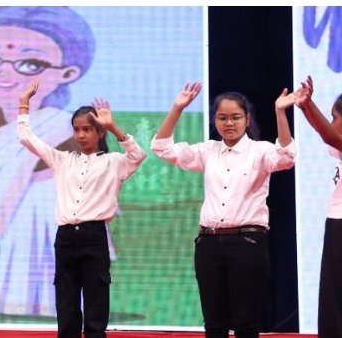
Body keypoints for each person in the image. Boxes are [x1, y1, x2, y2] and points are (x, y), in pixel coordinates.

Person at [0, 7, 94, 317]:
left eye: (30, 64)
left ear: (68, 73)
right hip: (17, 216)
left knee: (43, 250)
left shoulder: (63, 125)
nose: (3, 73)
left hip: (50, 211)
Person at [151, 82, 296, 338]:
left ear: (247, 119)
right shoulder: (208, 151)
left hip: (247, 242)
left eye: (236, 117)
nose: (229, 123)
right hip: (209, 243)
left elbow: (286, 158)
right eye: (222, 118)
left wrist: (280, 112)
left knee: (245, 323)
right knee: (214, 323)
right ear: (215, 120)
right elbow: (162, 148)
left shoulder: (260, 150)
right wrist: (177, 108)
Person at [18, 84, 146, 338]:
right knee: (66, 304)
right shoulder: (62, 160)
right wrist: (24, 103)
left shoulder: (113, 162)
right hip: (65, 237)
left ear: (99, 132)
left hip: (94, 236)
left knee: (96, 302)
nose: (80, 135)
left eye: (87, 129)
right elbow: (26, 138)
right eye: (76, 130)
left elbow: (137, 155)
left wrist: (113, 126)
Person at [292, 76, 342, 338]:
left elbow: (331, 137)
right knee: (334, 298)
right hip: (336, 223)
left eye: (335, 117)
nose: (332, 122)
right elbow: (329, 136)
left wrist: (309, 105)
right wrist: (305, 107)